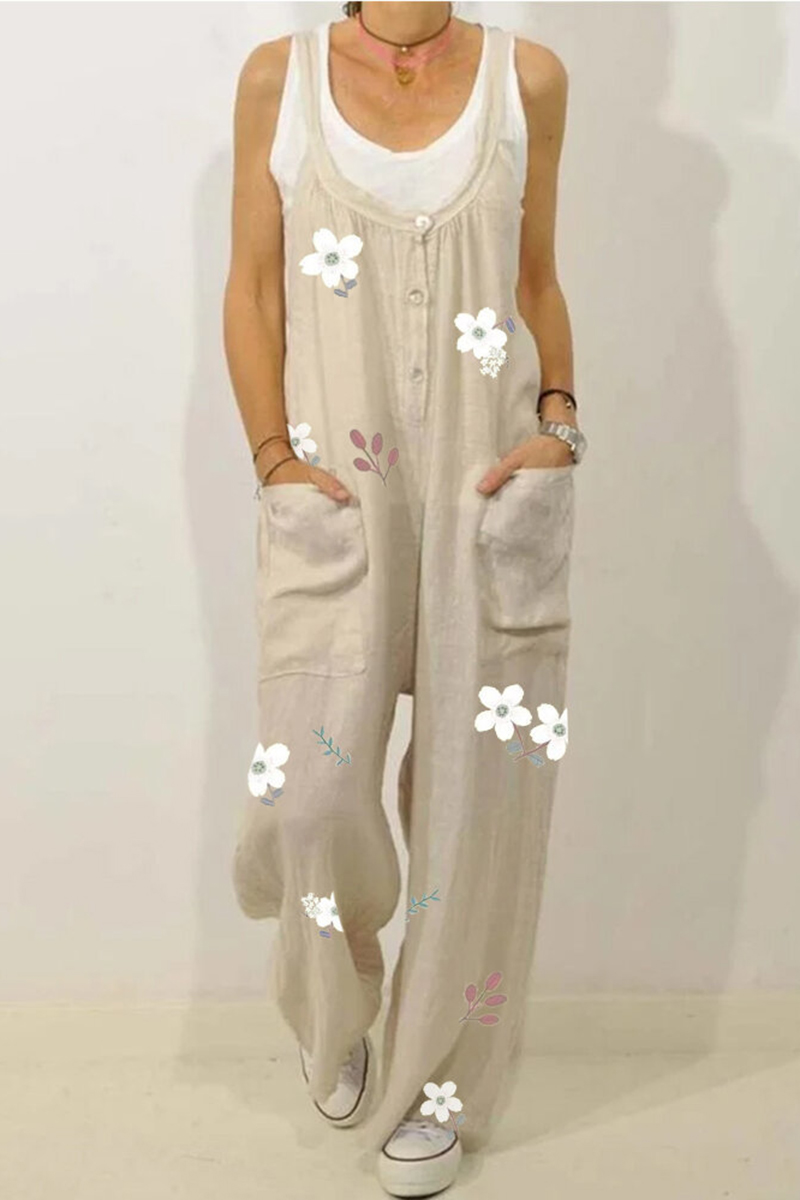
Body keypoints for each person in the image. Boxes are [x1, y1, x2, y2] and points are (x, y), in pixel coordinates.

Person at [223, 2, 586, 1195]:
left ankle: (436, 1084)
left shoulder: (527, 80)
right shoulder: (279, 79)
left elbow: (535, 278)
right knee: (309, 795)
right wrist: (273, 457)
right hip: (337, 492)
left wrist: (558, 422)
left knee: (471, 810)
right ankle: (336, 1007)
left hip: (487, 490)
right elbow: (254, 288)